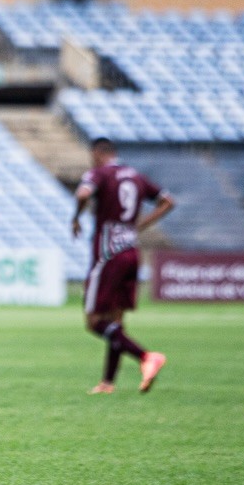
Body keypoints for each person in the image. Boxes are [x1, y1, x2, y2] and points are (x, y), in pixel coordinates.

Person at [71, 137, 176, 395]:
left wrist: (76, 216)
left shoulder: (99, 173)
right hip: (131, 251)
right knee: (115, 321)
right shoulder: (136, 176)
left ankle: (146, 356)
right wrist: (140, 225)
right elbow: (168, 201)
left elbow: (83, 193)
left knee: (94, 321)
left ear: (97, 153)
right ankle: (108, 382)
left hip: (108, 253)